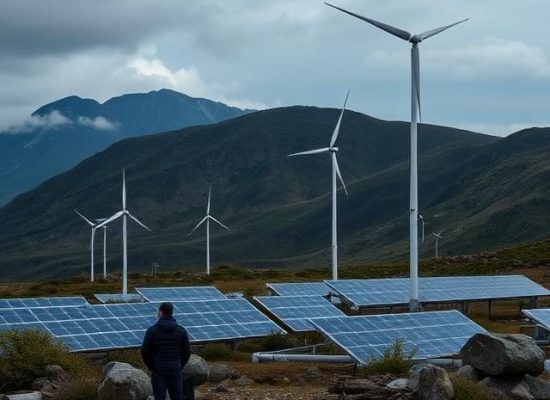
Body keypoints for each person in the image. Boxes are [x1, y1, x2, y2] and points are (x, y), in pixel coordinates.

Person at [141, 302, 192, 400]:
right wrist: (179, 365)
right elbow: (187, 351)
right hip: (175, 368)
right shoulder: (181, 331)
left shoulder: (152, 331)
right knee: (177, 396)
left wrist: (152, 367)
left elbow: (145, 352)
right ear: (172, 313)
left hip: (158, 370)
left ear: (160, 312)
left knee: (159, 397)